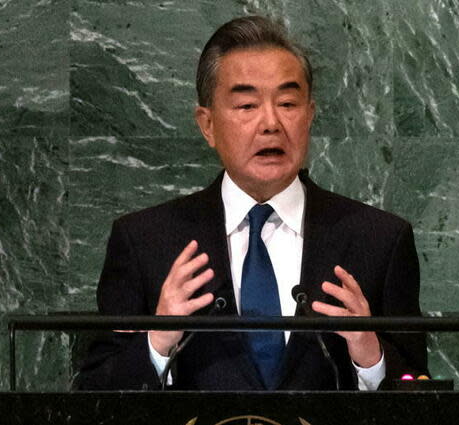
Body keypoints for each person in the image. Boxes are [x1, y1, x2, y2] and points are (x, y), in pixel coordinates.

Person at [76, 15, 427, 391]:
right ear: (207, 124)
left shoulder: (379, 240)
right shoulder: (146, 242)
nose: (271, 123)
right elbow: (93, 394)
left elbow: (422, 390)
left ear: (309, 116)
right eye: (246, 106)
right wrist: (158, 341)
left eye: (288, 103)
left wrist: (369, 355)